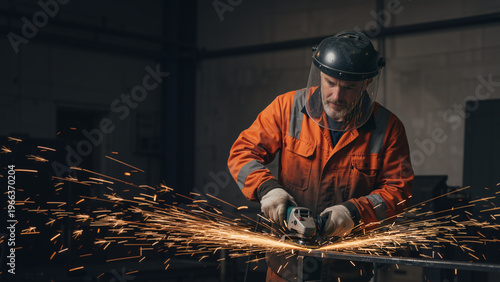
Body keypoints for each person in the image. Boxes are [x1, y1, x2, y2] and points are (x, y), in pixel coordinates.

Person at [228, 31, 413, 282]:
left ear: (367, 83)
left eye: (349, 88)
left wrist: (355, 212)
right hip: (286, 268)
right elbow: (243, 153)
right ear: (320, 76)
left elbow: (398, 191)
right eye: (330, 83)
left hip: (347, 270)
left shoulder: (388, 128)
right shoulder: (287, 108)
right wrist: (267, 188)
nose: (337, 96)